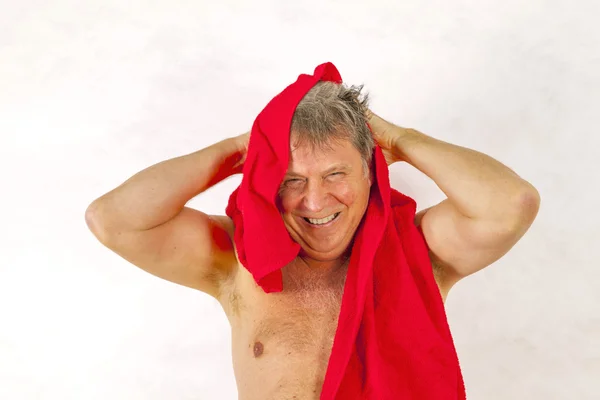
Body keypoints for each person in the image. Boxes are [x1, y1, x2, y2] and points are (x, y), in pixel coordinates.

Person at [85, 81, 540, 399]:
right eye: (292, 179)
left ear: (372, 171)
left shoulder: (421, 250)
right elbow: (113, 219)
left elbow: (511, 204)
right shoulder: (236, 259)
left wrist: (402, 139)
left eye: (336, 174)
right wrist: (241, 149)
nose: (314, 200)